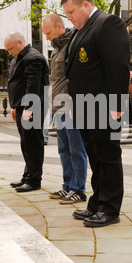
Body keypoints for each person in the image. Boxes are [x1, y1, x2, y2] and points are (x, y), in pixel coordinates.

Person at [61, 0, 130, 228]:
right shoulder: (81, 30)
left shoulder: (108, 23)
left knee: (108, 157)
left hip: (103, 106)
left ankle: (110, 209)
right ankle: (98, 203)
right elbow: (78, 73)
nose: (68, 17)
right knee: (96, 158)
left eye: (71, 12)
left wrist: (117, 103)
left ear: (86, 5)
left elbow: (118, 66)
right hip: (85, 108)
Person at [42, 13, 88, 204]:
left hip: (70, 108)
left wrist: (75, 104)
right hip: (58, 107)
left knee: (77, 150)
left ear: (59, 27)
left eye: (48, 32)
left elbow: (79, 77)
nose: (46, 37)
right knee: (64, 150)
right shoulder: (57, 48)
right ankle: (68, 186)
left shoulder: (73, 46)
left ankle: (79, 189)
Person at [6, 32, 49, 192]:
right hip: (21, 108)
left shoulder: (33, 58)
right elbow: (16, 83)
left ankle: (34, 180)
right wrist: (15, 106)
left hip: (32, 109)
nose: (9, 52)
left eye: (10, 48)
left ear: (20, 42)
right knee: (25, 143)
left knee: (33, 144)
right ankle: (27, 176)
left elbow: (33, 85)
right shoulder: (18, 58)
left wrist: (28, 109)